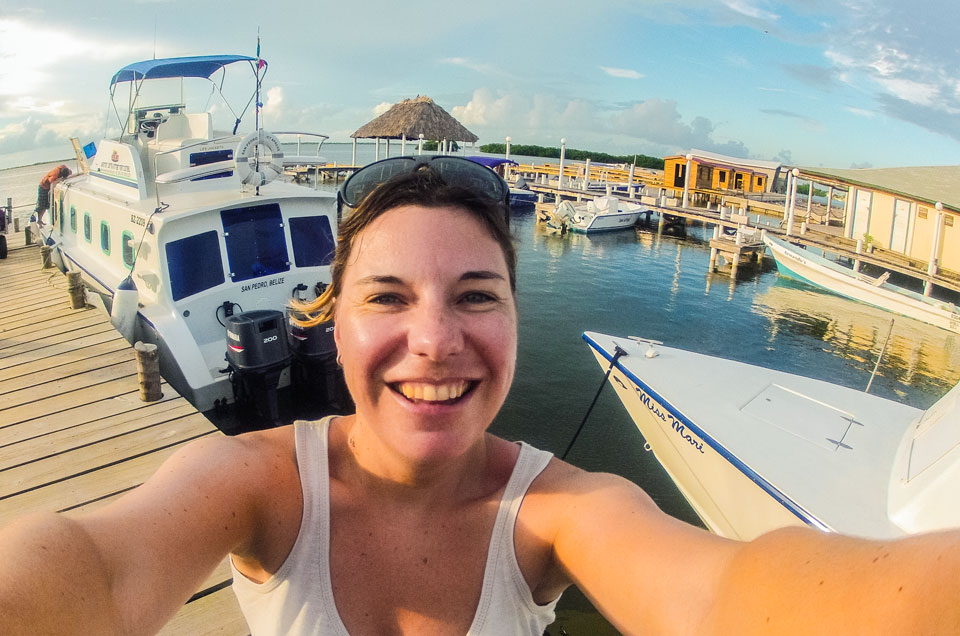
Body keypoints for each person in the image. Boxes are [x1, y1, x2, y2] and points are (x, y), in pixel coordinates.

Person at [0, 157, 958, 636]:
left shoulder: (558, 513)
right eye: (387, 297)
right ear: (332, 323)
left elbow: (726, 594)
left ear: (512, 319)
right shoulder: (254, 484)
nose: (436, 339)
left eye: (475, 296)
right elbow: (92, 564)